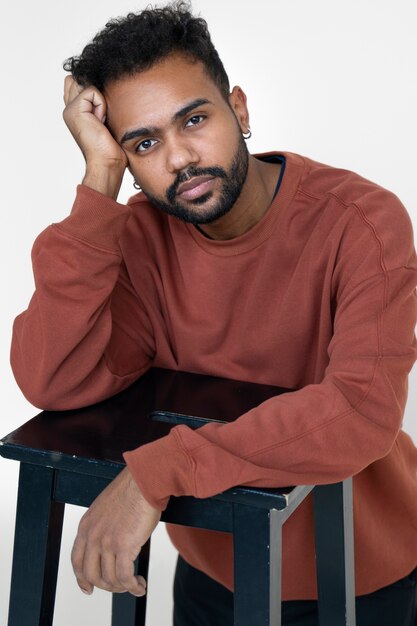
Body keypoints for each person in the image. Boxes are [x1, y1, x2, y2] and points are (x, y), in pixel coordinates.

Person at [10, 1, 417, 624]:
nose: (178, 158)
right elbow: (55, 379)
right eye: (144, 142)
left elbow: (360, 409)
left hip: (362, 576)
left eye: (194, 119)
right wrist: (99, 180)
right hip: (215, 570)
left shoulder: (361, 221)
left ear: (241, 109)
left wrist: (158, 470)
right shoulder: (141, 236)